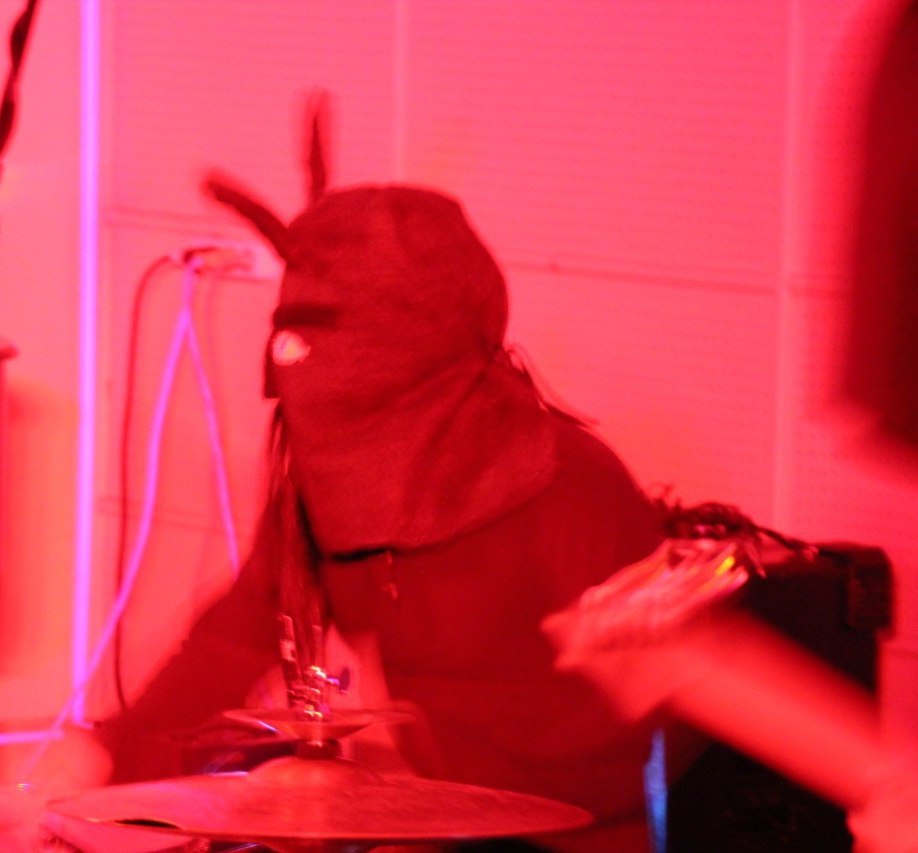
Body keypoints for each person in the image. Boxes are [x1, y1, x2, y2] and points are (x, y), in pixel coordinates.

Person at [95, 98, 677, 852]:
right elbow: (225, 651)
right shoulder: (321, 489)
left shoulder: (569, 484)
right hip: (434, 828)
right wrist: (103, 759)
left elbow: (682, 702)